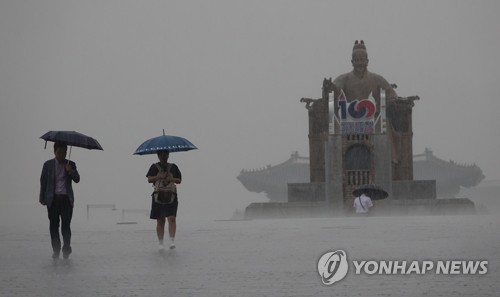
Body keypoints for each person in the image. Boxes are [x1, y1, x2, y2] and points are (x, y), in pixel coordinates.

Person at [39, 142, 80, 259]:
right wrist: (42, 197)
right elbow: (43, 181)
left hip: (66, 199)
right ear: (54, 152)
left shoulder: (70, 164)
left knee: (66, 226)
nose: (61, 155)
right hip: (52, 199)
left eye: (64, 153)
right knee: (53, 226)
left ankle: (66, 249)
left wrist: (70, 171)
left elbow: (77, 179)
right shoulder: (48, 165)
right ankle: (56, 250)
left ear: (67, 152)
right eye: (59, 152)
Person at [146, 150, 182, 250]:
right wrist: (158, 177)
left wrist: (172, 179)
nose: (164, 156)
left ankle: (172, 240)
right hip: (158, 196)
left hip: (171, 196)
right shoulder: (154, 167)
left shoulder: (173, 167)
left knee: (172, 218)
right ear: (158, 155)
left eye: (166, 154)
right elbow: (149, 179)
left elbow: (179, 180)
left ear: (168, 155)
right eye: (161, 154)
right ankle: (160, 243)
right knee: (160, 220)